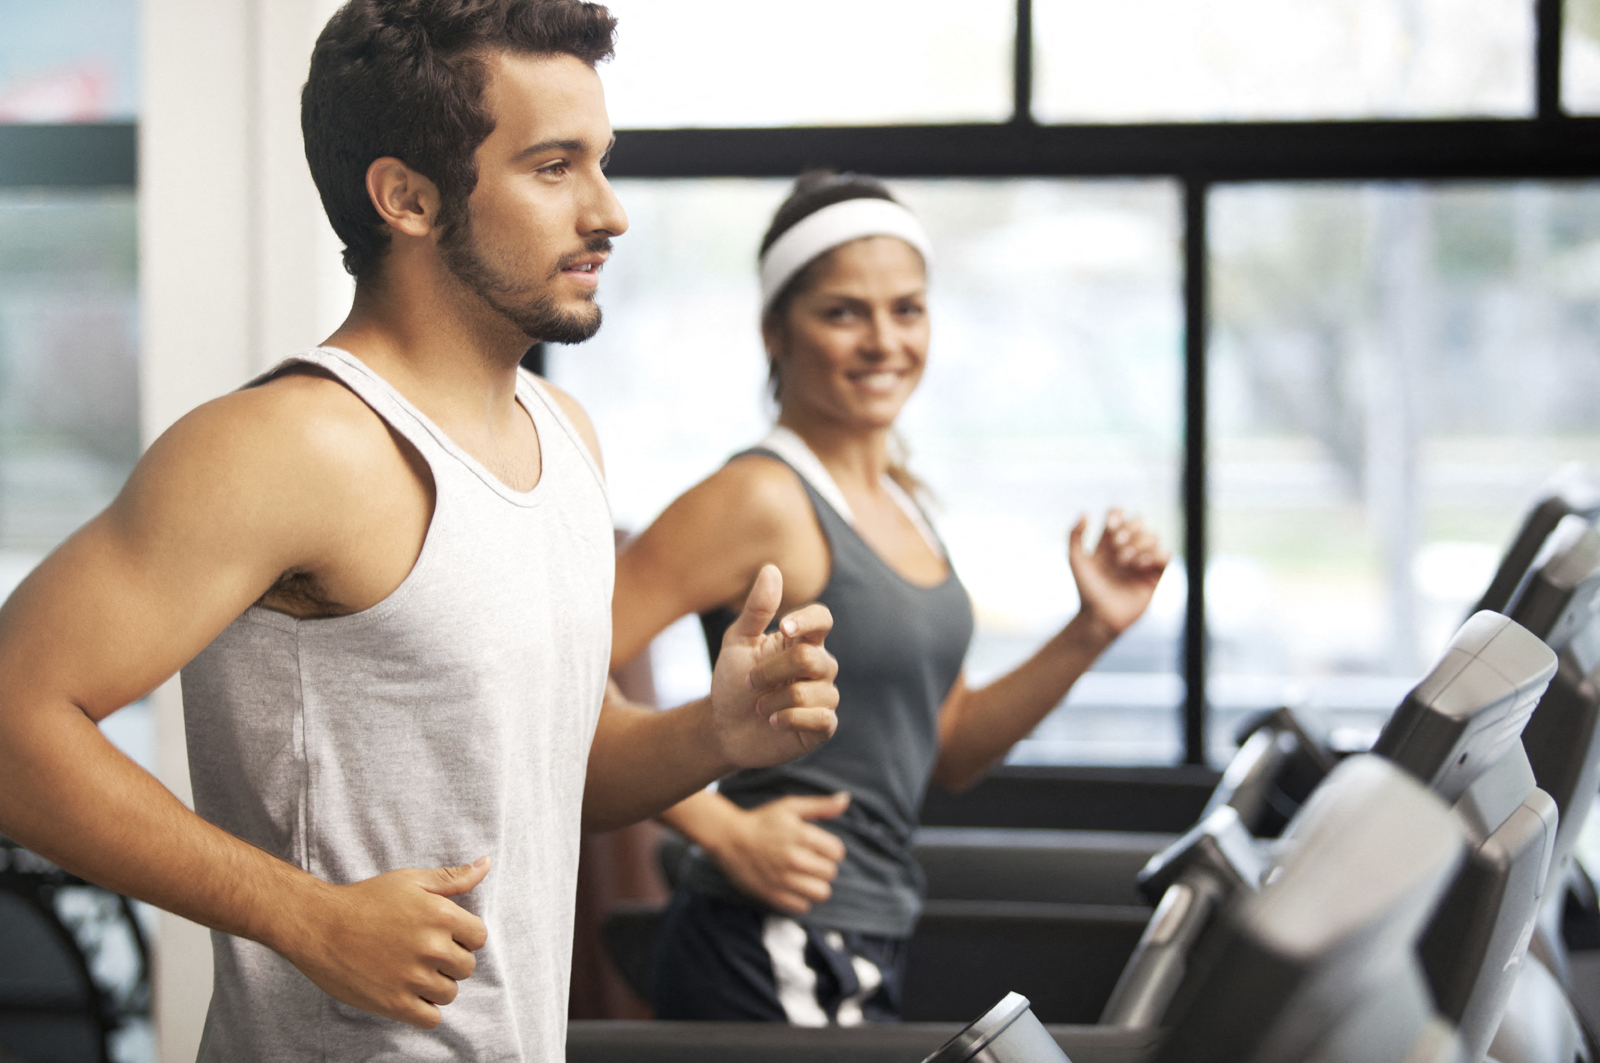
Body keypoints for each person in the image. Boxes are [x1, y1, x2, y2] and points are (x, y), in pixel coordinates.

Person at [0, 3, 841, 1060]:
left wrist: (712, 735)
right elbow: (13, 722)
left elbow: (550, 761)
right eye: (553, 167)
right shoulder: (288, 444)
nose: (610, 210)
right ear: (405, 196)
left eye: (600, 162)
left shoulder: (564, 433)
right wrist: (302, 915)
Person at [612, 171, 1170, 1025]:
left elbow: (947, 747)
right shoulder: (759, 497)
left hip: (864, 933)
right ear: (775, 331)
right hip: (765, 939)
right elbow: (552, 668)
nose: (882, 339)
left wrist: (1090, 630)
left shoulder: (904, 501)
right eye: (843, 311)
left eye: (906, 309)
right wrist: (723, 829)